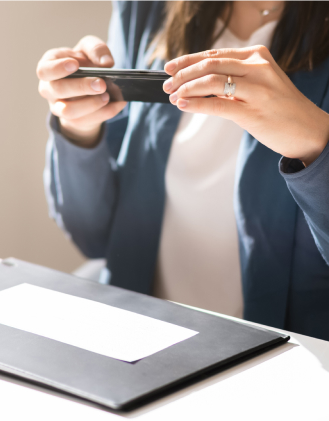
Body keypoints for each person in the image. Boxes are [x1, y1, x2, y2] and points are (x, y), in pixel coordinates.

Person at [36, 1, 329, 341]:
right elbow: (96, 237)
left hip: (288, 362)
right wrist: (79, 128)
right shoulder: (146, 9)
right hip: (139, 340)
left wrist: (317, 141)